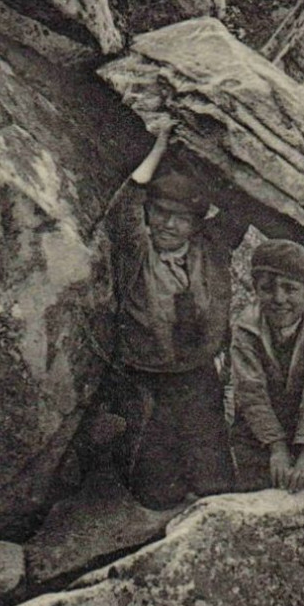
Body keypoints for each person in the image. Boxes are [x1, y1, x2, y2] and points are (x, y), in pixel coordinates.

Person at [104, 126, 235, 508]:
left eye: (181, 218)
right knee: (158, 489)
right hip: (147, 378)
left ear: (196, 225)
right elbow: (125, 206)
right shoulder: (137, 253)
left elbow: (238, 210)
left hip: (197, 376)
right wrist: (159, 148)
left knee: (214, 480)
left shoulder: (210, 250)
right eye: (160, 213)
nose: (168, 224)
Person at [230, 239, 304, 501]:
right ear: (256, 290)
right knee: (255, 498)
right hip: (257, 428)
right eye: (267, 289)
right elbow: (251, 392)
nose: (279, 299)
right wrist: (277, 447)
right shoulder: (246, 328)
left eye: (290, 289)